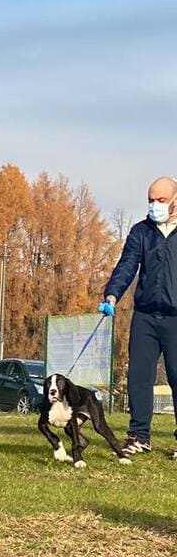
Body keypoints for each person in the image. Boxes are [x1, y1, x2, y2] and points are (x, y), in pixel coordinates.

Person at [100, 175, 177, 460]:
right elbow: (127, 265)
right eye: (150, 200)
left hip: (175, 318)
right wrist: (112, 294)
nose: (154, 205)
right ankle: (139, 436)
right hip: (145, 315)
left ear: (175, 201)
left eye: (160, 200)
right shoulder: (141, 232)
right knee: (138, 378)